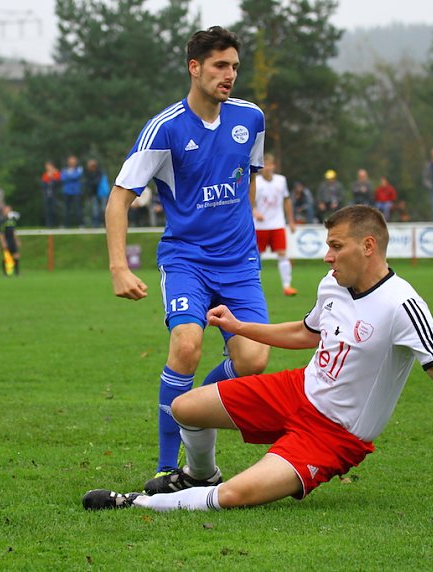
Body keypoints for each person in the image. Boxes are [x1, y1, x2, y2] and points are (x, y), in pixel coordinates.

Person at [83, 205, 433, 511]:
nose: (327, 256)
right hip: (297, 390)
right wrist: (239, 327)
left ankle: (135, 503)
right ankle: (200, 474)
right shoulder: (333, 284)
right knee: (185, 408)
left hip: (334, 435)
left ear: (368, 246)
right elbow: (305, 333)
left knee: (235, 496)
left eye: (336, 246)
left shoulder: (403, 305)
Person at [104, 26, 270, 481]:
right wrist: (119, 267)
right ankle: (165, 467)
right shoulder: (165, 128)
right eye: (220, 65)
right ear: (194, 68)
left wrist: (244, 234)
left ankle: (191, 404)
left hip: (238, 262)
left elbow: (248, 177)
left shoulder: (251, 118)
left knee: (254, 361)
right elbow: (119, 199)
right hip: (187, 260)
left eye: (234, 66)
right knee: (186, 346)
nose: (229, 74)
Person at [253, 153, 297, 296]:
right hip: (260, 225)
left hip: (277, 223)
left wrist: (291, 221)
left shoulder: (281, 180)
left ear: (274, 166)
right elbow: (248, 199)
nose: (267, 168)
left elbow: (287, 200)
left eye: (269, 165)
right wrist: (254, 211)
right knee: (256, 256)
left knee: (282, 253)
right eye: (264, 165)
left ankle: (287, 286)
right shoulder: (256, 181)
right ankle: (255, 287)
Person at [84, 159, 110, 228]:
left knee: (103, 208)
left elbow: (95, 182)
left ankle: (105, 223)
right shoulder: (88, 173)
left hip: (101, 193)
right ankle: (96, 224)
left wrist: (91, 184)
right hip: (93, 193)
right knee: (95, 209)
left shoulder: (99, 172)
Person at [61, 155, 84, 227]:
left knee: (78, 208)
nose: (72, 163)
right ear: (68, 162)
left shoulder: (79, 169)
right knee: (66, 209)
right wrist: (72, 176)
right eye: (70, 162)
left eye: (73, 162)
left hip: (76, 191)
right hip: (67, 191)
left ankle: (81, 224)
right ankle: (66, 225)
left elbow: (77, 176)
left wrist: (69, 176)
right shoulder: (64, 170)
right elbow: (63, 178)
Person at [0, 205, 21, 276]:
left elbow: (14, 231)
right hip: (6, 240)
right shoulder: (2, 221)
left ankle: (17, 272)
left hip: (12, 240)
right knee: (6, 257)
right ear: (3, 211)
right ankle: (5, 274)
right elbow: (1, 233)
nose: (8, 212)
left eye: (9, 210)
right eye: (7, 210)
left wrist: (17, 240)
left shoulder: (12, 220)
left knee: (16, 256)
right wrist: (3, 242)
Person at [41, 161, 61, 228]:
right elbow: (43, 184)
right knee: (47, 210)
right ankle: (48, 224)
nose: (47, 168)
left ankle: (55, 224)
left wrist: (52, 177)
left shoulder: (56, 173)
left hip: (54, 194)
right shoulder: (45, 174)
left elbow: (58, 183)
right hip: (47, 194)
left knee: (54, 209)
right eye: (46, 166)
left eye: (49, 166)